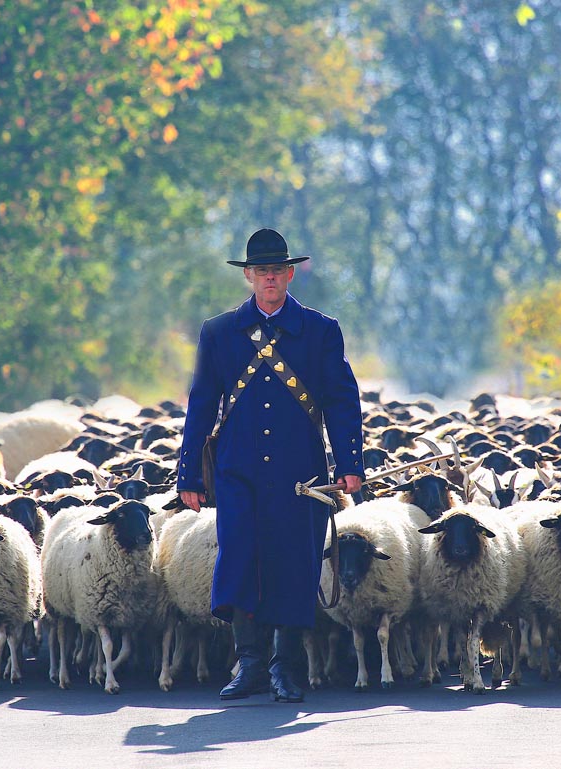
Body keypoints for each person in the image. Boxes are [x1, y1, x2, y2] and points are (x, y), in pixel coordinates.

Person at [176, 228, 364, 703]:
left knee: (293, 564)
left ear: (290, 273)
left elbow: (341, 400)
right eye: (262, 271)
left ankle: (284, 666)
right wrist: (190, 475)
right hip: (237, 470)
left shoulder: (321, 330)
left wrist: (349, 462)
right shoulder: (218, 332)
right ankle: (250, 664)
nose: (270, 278)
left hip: (300, 473)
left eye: (277, 270)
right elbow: (201, 405)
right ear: (249, 276)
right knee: (238, 558)